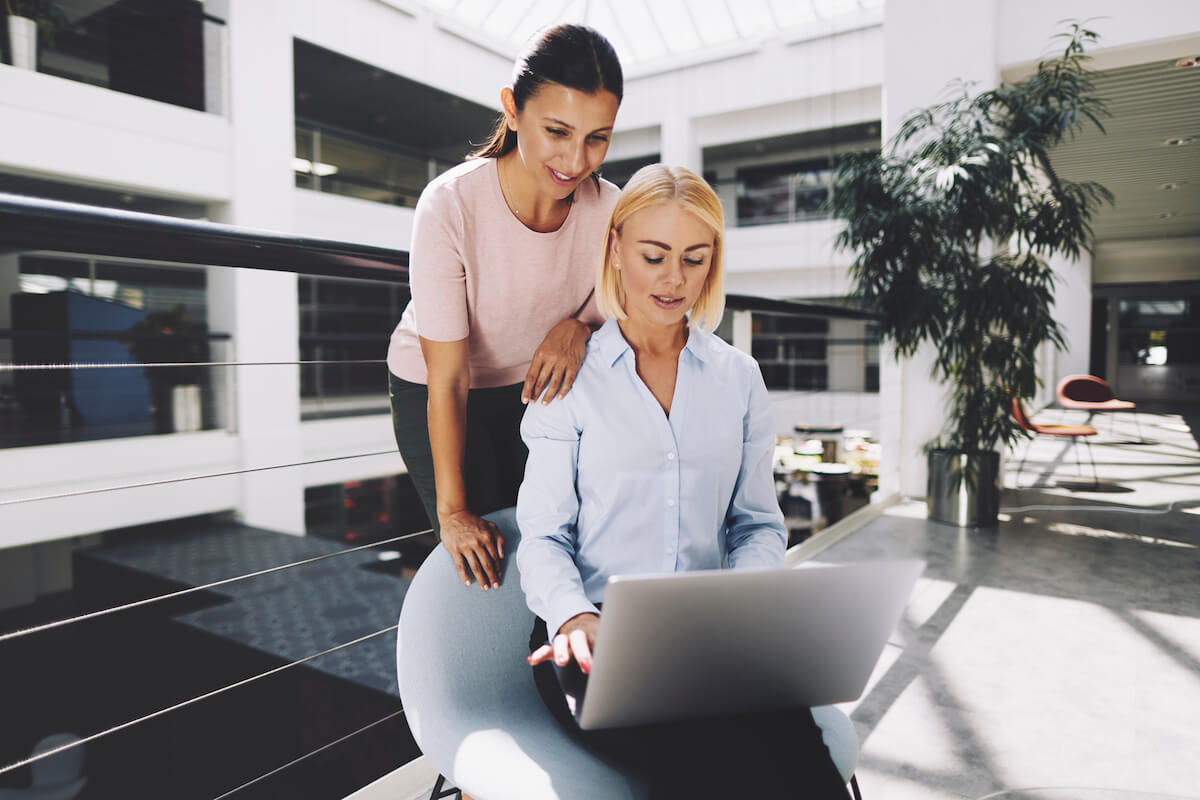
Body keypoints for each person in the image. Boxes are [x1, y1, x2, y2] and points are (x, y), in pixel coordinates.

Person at [516, 165, 852, 799]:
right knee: (710, 766)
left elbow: (756, 523)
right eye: (654, 255)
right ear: (615, 251)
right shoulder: (571, 381)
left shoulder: (739, 378)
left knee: (803, 761)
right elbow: (542, 536)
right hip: (597, 643)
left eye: (694, 259)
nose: (674, 279)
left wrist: (737, 609)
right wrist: (572, 618)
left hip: (711, 640)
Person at [387, 24, 623, 592]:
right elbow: (447, 378)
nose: (575, 159)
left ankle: (566, 662)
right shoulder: (450, 204)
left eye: (598, 137)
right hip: (437, 389)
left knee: (555, 539)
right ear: (512, 110)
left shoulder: (610, 207)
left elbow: (618, 307)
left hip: (536, 386)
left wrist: (578, 328)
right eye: (557, 131)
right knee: (489, 551)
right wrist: (452, 513)